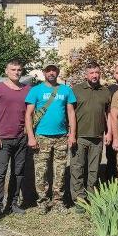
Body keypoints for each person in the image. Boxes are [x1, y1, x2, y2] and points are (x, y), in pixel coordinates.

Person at [25, 64, 77, 214]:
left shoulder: (66, 90)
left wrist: (72, 134)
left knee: (60, 171)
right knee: (41, 171)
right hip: (41, 137)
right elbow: (28, 115)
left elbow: (71, 113)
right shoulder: (36, 91)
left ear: (58, 72)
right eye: (48, 70)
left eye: (54, 70)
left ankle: (58, 201)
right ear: (43, 73)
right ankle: (42, 202)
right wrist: (31, 137)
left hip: (61, 136)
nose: (51, 73)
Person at [0, 59, 30, 222]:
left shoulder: (27, 90)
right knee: (0, 173)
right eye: (13, 69)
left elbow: (29, 113)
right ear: (6, 71)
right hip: (2, 139)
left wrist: (27, 131)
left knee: (18, 173)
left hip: (21, 138)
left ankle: (13, 203)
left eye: (19, 70)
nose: (16, 72)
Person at [71, 61, 111, 209]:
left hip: (97, 137)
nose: (94, 75)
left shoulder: (105, 91)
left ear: (100, 73)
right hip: (80, 136)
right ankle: (79, 201)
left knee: (94, 170)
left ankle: (91, 197)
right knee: (77, 169)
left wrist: (109, 133)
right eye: (91, 73)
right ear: (86, 74)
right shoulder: (76, 90)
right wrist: (71, 134)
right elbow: (69, 113)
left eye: (97, 73)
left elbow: (108, 114)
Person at [102, 63, 118, 181]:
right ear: (114, 74)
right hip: (112, 130)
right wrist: (108, 132)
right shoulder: (109, 90)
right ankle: (110, 186)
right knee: (111, 159)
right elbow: (107, 113)